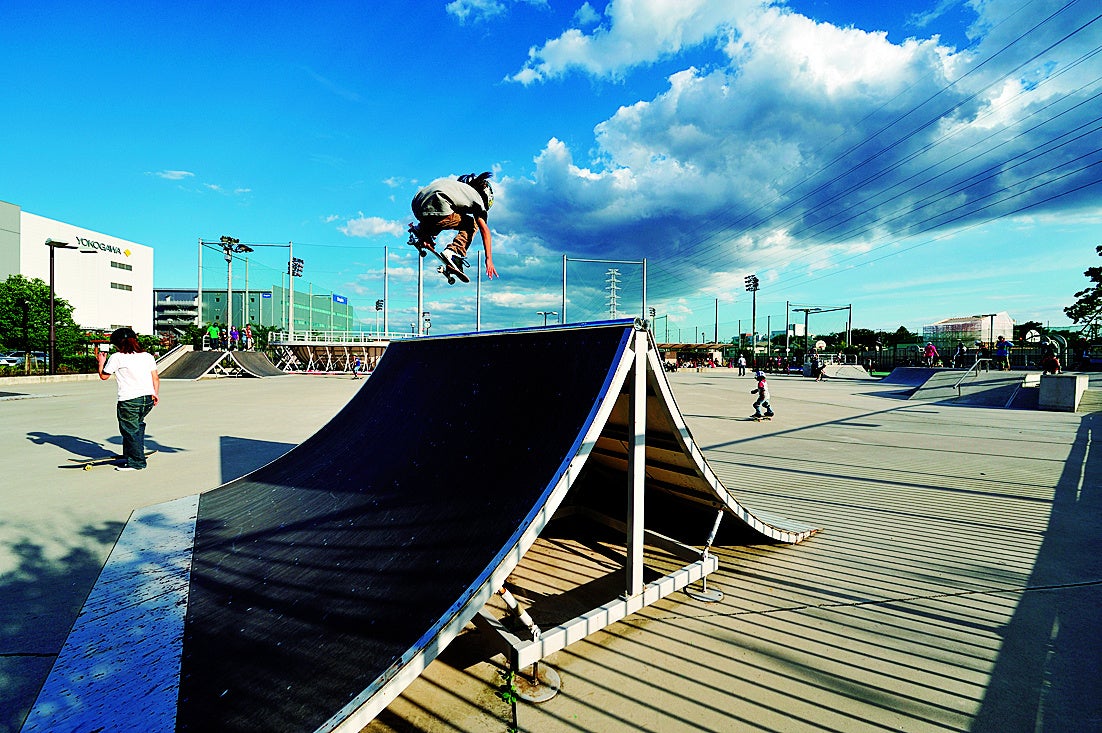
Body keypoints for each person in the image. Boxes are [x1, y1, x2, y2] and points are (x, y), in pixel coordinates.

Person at [410, 171, 499, 280]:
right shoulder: (478, 200)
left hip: (417, 203)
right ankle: (453, 252)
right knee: (471, 224)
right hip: (440, 204)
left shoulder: (460, 190)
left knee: (444, 216)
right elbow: (485, 230)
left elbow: (442, 215)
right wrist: (489, 259)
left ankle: (422, 230)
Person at [96, 327, 159, 471]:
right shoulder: (147, 356)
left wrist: (101, 362)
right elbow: (155, 378)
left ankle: (137, 462)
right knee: (137, 426)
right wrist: (155, 394)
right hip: (148, 398)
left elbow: (104, 376)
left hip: (129, 400)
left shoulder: (117, 357)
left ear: (118, 343)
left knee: (130, 430)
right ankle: (131, 454)